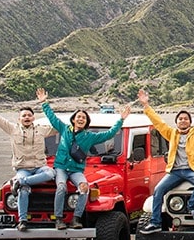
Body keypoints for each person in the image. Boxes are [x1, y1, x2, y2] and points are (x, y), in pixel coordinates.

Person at [36, 89, 130, 230]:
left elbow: (109, 134)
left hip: (76, 170)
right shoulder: (64, 129)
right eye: (78, 117)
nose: (80, 119)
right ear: (73, 119)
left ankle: (76, 218)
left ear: (86, 122)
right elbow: (52, 118)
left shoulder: (89, 136)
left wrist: (121, 119)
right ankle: (59, 218)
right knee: (61, 187)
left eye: (83, 118)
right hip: (61, 167)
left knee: (84, 188)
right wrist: (44, 102)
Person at [139, 87, 194, 230]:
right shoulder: (171, 133)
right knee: (158, 190)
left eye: (185, 119)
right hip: (175, 172)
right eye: (180, 119)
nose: (183, 121)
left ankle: (192, 207)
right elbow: (158, 122)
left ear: (189, 122)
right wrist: (146, 105)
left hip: (191, 170)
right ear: (177, 122)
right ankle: (155, 222)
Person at [0, 93, 54, 230]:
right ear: (19, 119)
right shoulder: (13, 129)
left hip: (40, 167)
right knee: (23, 191)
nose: (27, 117)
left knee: (50, 174)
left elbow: (59, 125)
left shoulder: (42, 130)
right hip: (23, 169)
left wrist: (45, 104)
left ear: (34, 117)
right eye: (24, 116)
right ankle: (22, 221)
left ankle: (20, 182)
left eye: (29, 115)